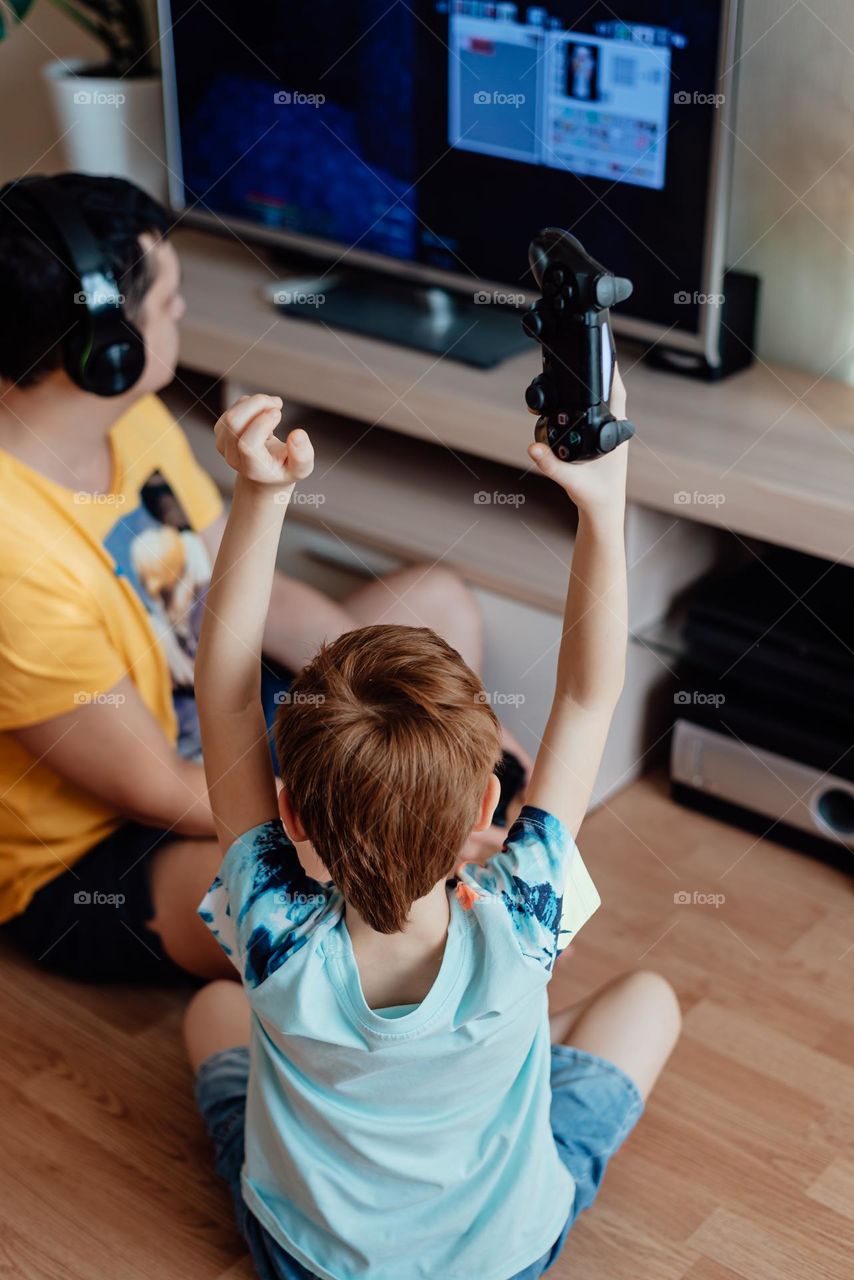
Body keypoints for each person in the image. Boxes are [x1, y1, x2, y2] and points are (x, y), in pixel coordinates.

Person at [183, 376, 681, 1280]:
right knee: (651, 1000)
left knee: (214, 1009)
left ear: (292, 812)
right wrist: (603, 504)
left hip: (306, 1259)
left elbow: (223, 693)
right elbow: (588, 694)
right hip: (502, 1257)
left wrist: (261, 495)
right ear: (488, 807)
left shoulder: (270, 928)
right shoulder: (526, 915)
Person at [0, 173, 526, 984]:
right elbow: (157, 787)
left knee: (438, 603)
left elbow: (256, 596)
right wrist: (379, 817)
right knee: (327, 882)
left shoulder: (127, 417)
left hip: (225, 712)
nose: (182, 310)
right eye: (168, 301)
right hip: (104, 843)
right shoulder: (13, 559)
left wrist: (464, 735)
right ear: (107, 346)